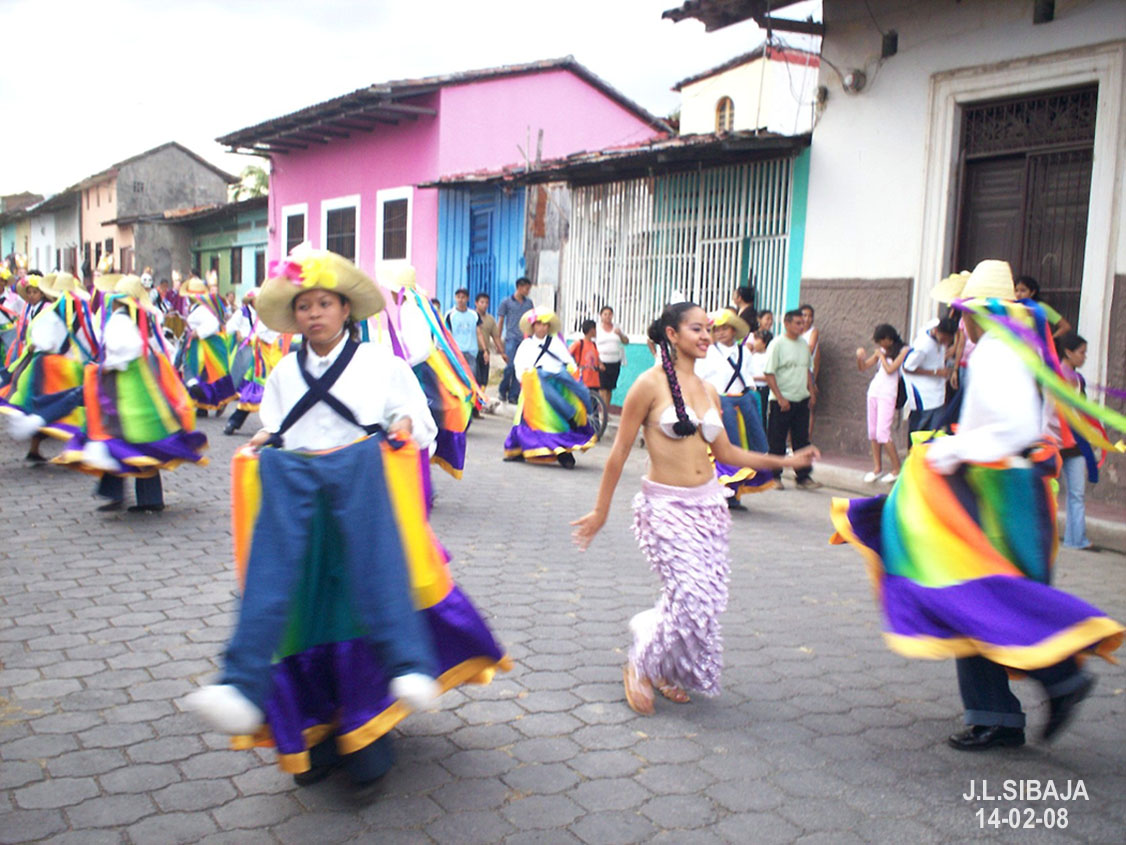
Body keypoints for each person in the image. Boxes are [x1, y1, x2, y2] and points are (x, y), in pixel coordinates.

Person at [185, 247, 510, 792]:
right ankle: (302, 725)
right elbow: (278, 427)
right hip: (301, 507)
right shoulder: (285, 370)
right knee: (293, 611)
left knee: (366, 603)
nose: (314, 313)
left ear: (345, 311)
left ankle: (369, 734)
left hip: (361, 498)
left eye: (324, 303)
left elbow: (419, 428)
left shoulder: (383, 366)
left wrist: (403, 424)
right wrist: (262, 444)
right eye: (304, 305)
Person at [830, 259, 1125, 751]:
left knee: (969, 593)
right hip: (1020, 488)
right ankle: (1017, 702)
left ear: (974, 312)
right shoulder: (1025, 349)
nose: (958, 318)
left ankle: (1045, 685)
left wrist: (952, 450)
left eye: (961, 309)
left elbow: (1017, 429)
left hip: (997, 489)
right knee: (989, 594)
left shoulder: (995, 353)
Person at [571, 301, 817, 714]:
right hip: (664, 507)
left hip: (708, 507)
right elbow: (617, 455)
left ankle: (665, 666)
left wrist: (784, 461)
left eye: (708, 329)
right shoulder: (647, 386)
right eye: (696, 329)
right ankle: (641, 663)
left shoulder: (707, 390)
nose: (705, 336)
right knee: (690, 593)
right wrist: (600, 511)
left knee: (701, 599)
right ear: (672, 335)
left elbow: (728, 453)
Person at [54, 275, 207, 512]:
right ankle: (134, 496)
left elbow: (123, 352)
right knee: (135, 438)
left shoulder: (119, 321)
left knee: (121, 437)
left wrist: (104, 368)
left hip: (124, 387)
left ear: (117, 300)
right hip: (141, 385)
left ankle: (133, 496)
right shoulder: (141, 318)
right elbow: (157, 349)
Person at [697, 310, 772, 507]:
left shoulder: (744, 352)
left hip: (743, 407)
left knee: (744, 450)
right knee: (723, 452)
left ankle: (734, 494)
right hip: (720, 407)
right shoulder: (708, 352)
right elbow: (700, 378)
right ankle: (717, 492)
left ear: (734, 330)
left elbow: (749, 376)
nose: (721, 333)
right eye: (717, 329)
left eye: (725, 329)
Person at [505, 309, 596, 468]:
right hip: (535, 385)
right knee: (527, 421)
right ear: (533, 326)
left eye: (545, 325)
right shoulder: (526, 345)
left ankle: (584, 413)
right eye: (539, 324)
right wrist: (526, 378)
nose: (542, 328)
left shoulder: (555, 342)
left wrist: (573, 370)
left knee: (564, 406)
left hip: (557, 381)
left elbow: (568, 360)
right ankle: (522, 449)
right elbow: (519, 366)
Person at [763, 310, 820, 489]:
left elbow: (807, 369)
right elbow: (769, 372)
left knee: (801, 440)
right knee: (777, 440)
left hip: (801, 398)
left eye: (802, 323)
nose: (801, 326)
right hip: (782, 400)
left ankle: (803, 476)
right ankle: (774, 476)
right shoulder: (777, 344)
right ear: (787, 324)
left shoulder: (804, 345)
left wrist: (811, 391)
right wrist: (779, 397)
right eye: (797, 323)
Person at [856, 324, 909, 483]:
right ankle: (877, 468)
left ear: (888, 339)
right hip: (874, 392)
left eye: (881, 341)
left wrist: (882, 356)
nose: (879, 345)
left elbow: (891, 369)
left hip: (888, 394)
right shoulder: (882, 352)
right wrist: (860, 357)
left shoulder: (903, 350)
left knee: (883, 433)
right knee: (872, 431)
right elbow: (864, 367)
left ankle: (896, 469)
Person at [1058, 332, 1095, 550]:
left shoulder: (1078, 380)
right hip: (1055, 439)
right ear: (1068, 352)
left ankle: (1076, 539)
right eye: (1081, 353)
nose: (1084, 357)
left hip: (1076, 442)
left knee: (1077, 493)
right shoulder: (1054, 377)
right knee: (1049, 490)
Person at [179, 277, 237, 414]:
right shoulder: (199, 308)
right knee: (203, 374)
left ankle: (206, 402)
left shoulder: (201, 310)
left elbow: (213, 324)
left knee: (199, 372)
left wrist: (197, 332)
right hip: (200, 345)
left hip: (205, 346)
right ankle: (202, 406)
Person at [902, 316, 958, 447]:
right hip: (923, 396)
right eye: (945, 339)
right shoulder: (923, 346)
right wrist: (935, 372)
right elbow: (907, 367)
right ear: (938, 332)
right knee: (920, 432)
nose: (946, 343)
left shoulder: (935, 325)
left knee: (935, 433)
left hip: (938, 393)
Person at [496, 277, 534, 405]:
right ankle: (503, 390)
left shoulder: (529, 304)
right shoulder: (506, 302)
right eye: (526, 289)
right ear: (519, 287)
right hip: (511, 338)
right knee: (510, 366)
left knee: (521, 368)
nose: (528, 291)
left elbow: (531, 321)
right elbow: (500, 322)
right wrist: (498, 341)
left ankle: (514, 394)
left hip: (525, 339)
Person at [595, 306, 628, 409]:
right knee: (602, 388)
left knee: (609, 388)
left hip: (615, 361)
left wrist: (620, 334)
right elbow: (592, 345)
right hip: (602, 361)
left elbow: (626, 342)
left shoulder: (617, 327)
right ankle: (602, 411)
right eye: (605, 314)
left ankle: (606, 410)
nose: (608, 316)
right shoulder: (597, 329)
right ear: (601, 316)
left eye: (610, 314)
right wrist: (599, 362)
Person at [473, 291, 504, 394]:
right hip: (472, 352)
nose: (484, 305)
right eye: (482, 302)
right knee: (474, 378)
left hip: (484, 352)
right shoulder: (470, 316)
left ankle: (479, 402)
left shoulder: (490, 319)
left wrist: (502, 352)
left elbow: (495, 337)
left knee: (484, 380)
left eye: (486, 303)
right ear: (476, 303)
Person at [799, 303, 820, 436]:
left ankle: (806, 440)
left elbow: (810, 348)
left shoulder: (813, 332)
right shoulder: (794, 331)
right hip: (794, 373)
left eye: (810, 316)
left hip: (807, 372)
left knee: (809, 407)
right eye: (804, 315)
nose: (807, 319)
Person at [569, 319, 603, 392]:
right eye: (595, 329)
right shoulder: (579, 343)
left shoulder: (593, 344)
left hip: (594, 380)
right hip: (583, 379)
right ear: (592, 330)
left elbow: (597, 358)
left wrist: (600, 364)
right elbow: (567, 353)